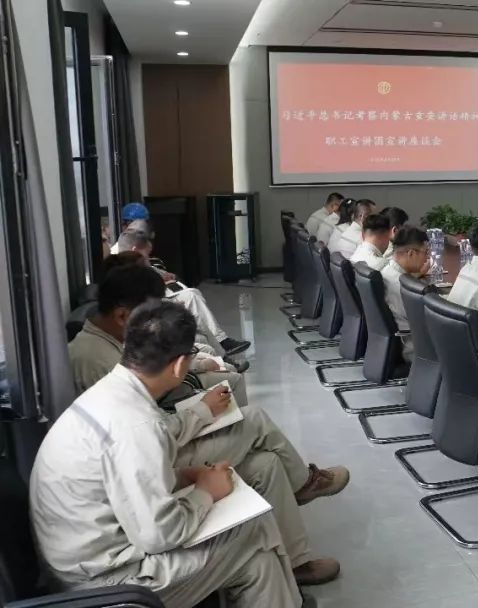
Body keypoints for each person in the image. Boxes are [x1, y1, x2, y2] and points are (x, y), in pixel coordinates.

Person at [30, 301, 344, 607]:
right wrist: (206, 491)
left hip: (92, 557)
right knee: (255, 529)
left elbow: (130, 480)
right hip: (109, 581)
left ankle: (286, 595)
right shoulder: (138, 426)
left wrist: (184, 476)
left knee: (258, 554)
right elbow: (160, 535)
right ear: (181, 365)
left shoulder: (111, 393)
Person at [69, 262, 248, 402]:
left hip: (159, 406)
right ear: (122, 315)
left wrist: (195, 366)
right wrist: (202, 409)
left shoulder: (114, 336)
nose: (153, 322)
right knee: (236, 388)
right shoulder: (95, 361)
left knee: (228, 375)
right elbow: (144, 419)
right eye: (149, 316)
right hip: (161, 415)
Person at [114, 231, 250, 357]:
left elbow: (158, 274)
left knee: (194, 300)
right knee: (192, 298)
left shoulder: (133, 260)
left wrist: (164, 275)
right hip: (149, 307)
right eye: (147, 254)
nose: (148, 257)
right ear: (135, 250)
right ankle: (222, 348)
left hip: (156, 299)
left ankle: (222, 349)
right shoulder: (122, 269)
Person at [379, 226, 430, 362]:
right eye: (425, 252)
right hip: (412, 346)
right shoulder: (403, 286)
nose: (427, 258)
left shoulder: (389, 271)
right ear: (411, 253)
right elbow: (426, 321)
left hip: (402, 340)